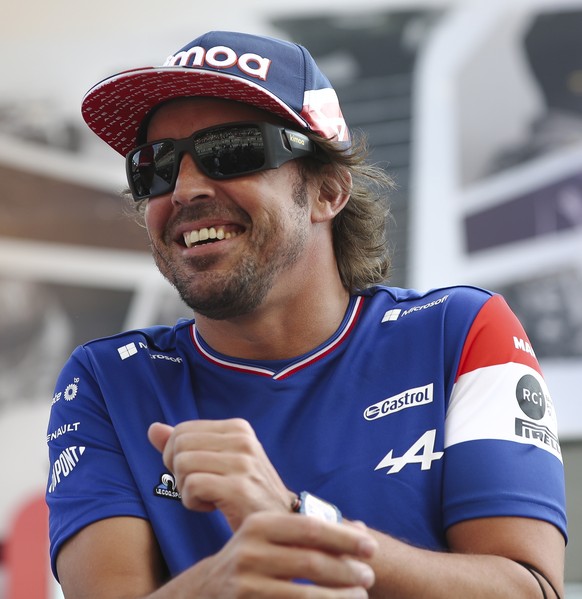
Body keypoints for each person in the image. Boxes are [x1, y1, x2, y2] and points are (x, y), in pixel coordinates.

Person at [46, 30, 567, 598]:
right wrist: (221, 586)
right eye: (155, 166)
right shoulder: (108, 380)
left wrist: (298, 520)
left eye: (234, 150)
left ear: (328, 192)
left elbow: (527, 590)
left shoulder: (461, 331)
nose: (186, 188)